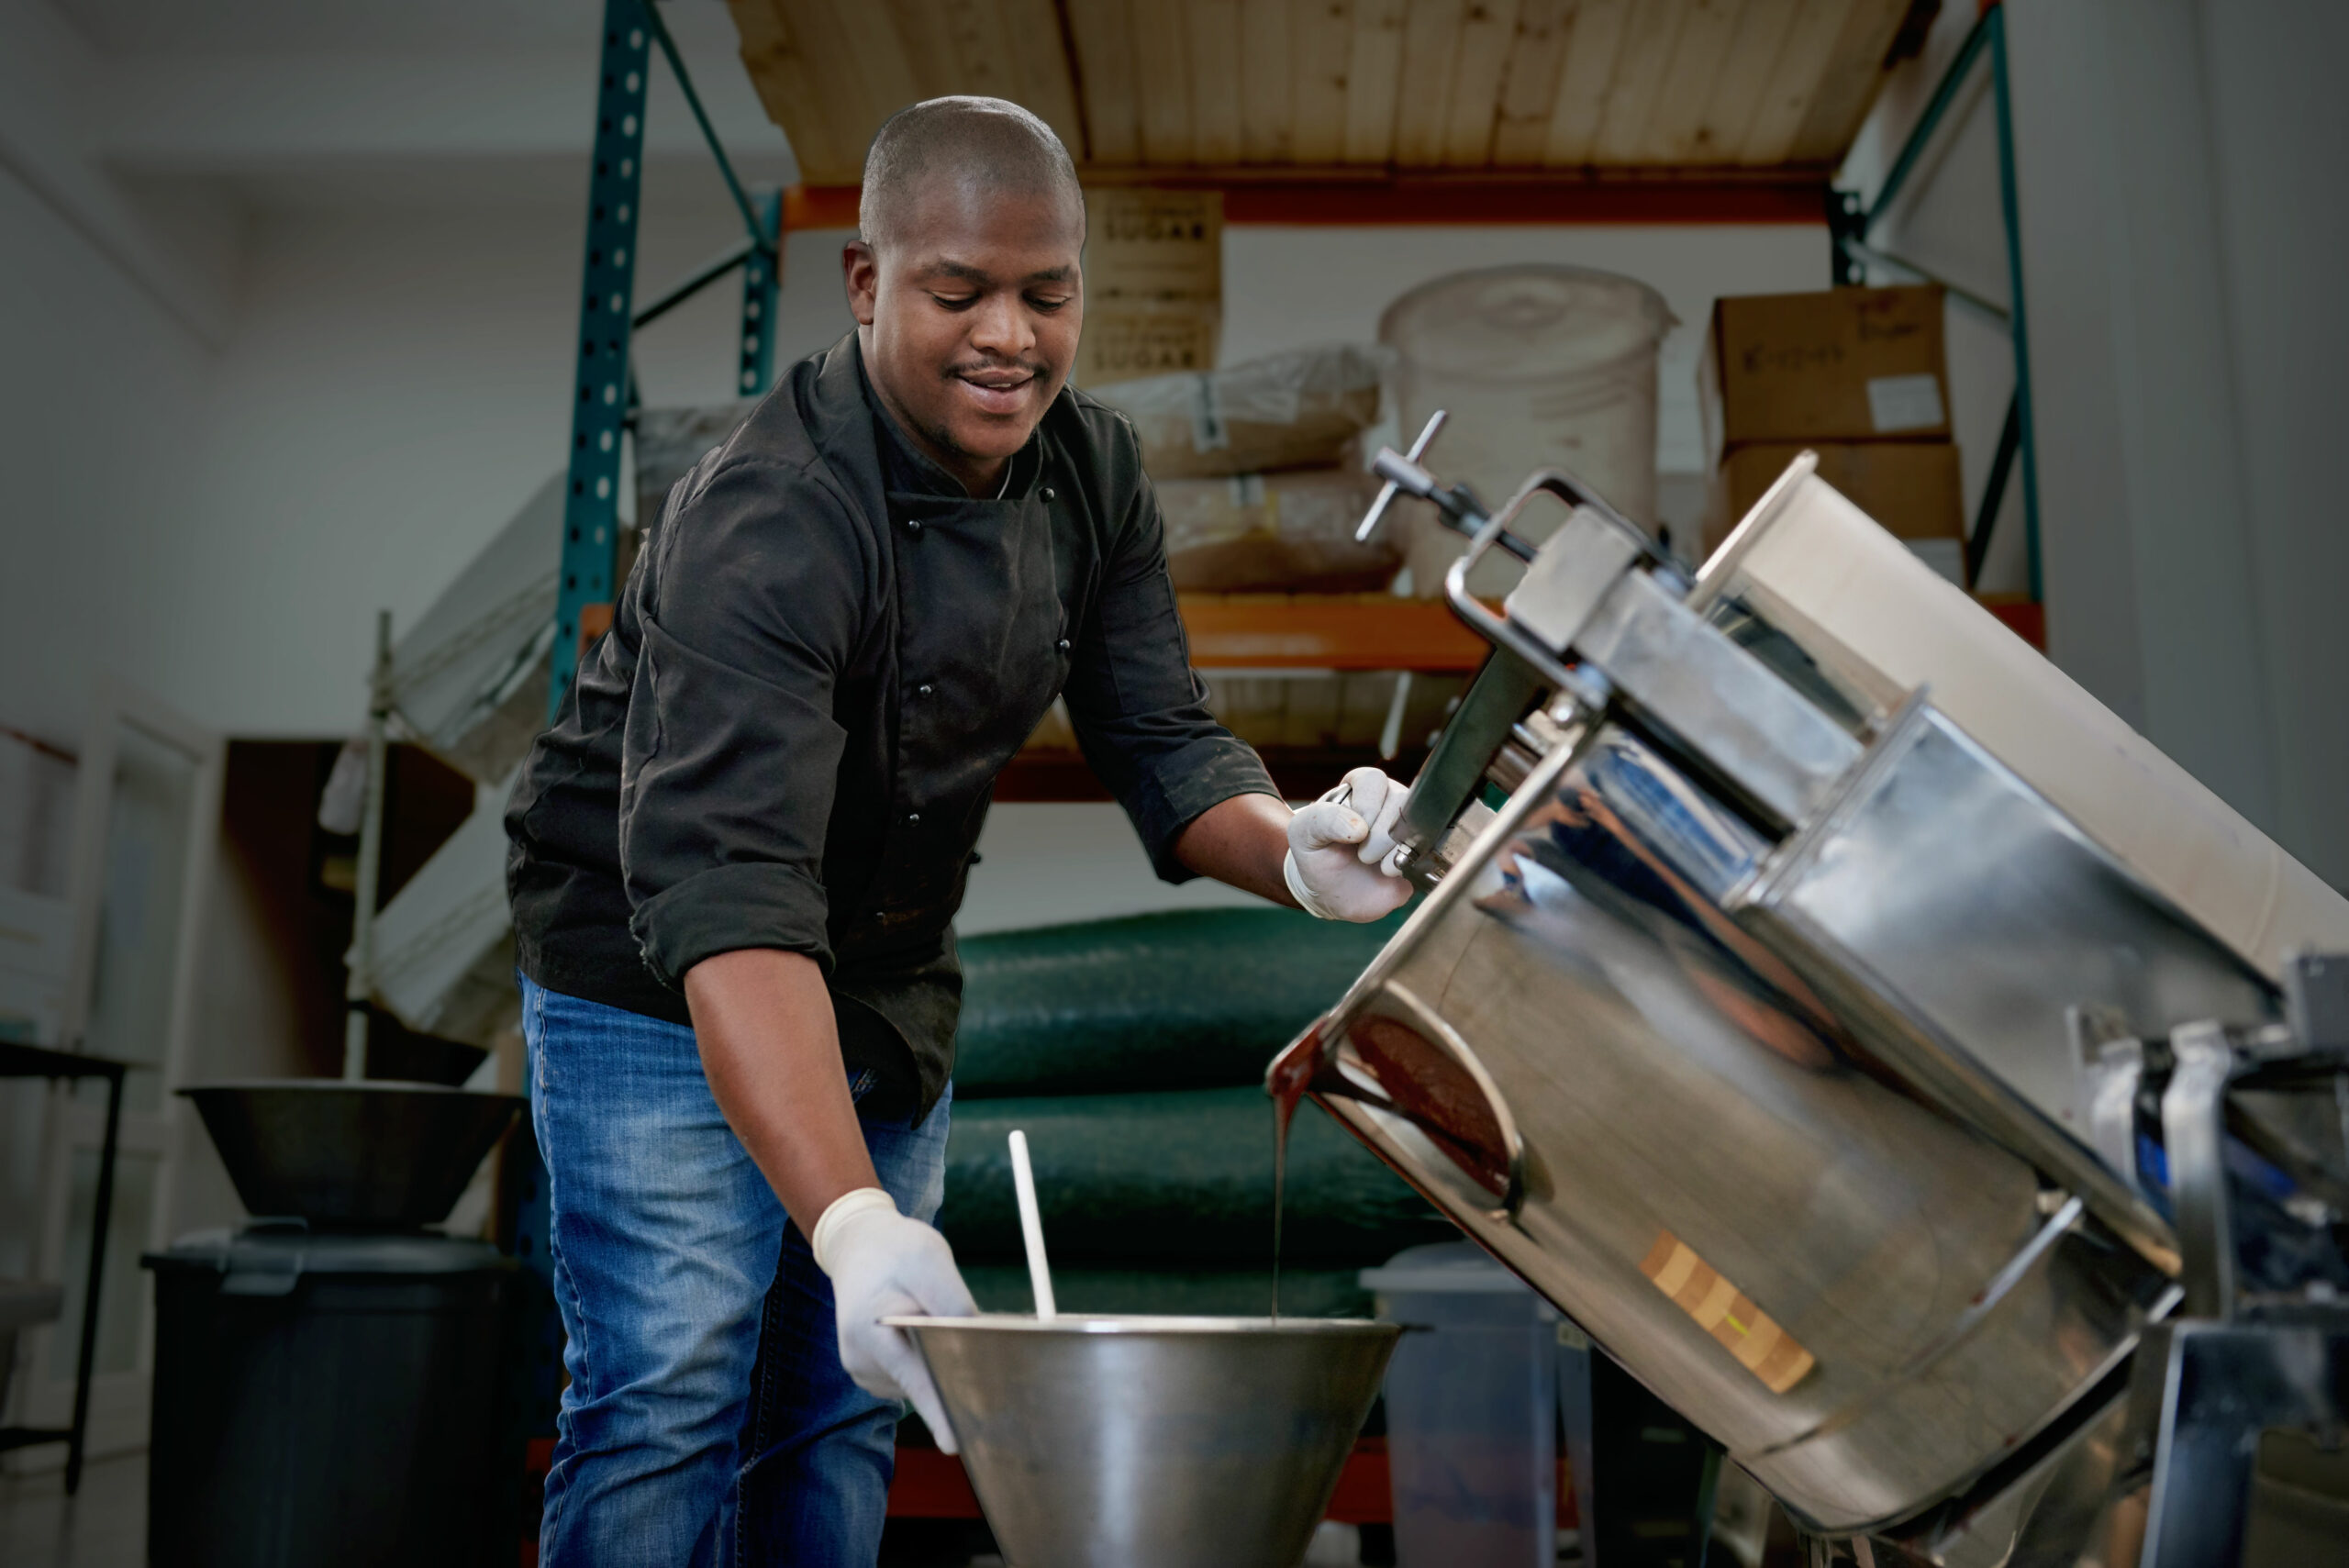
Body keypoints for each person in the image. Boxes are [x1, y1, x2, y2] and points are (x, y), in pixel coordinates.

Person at [504, 95, 1410, 1566]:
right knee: (670, 1391)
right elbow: (729, 900)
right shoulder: (768, 514)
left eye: (1048, 295)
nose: (1012, 336)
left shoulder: (1089, 473)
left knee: (843, 1404)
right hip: (654, 974)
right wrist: (855, 1224)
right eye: (960, 292)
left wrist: (1295, 845)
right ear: (866, 284)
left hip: (881, 974)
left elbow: (1165, 738)